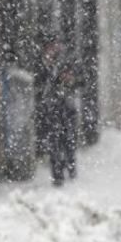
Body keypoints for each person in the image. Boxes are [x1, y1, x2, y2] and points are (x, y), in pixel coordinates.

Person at [39, 37, 79, 186]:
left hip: (65, 107)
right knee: (54, 142)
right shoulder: (43, 65)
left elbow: (73, 79)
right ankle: (58, 174)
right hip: (52, 109)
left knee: (67, 140)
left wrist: (66, 80)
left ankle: (70, 167)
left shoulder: (63, 62)